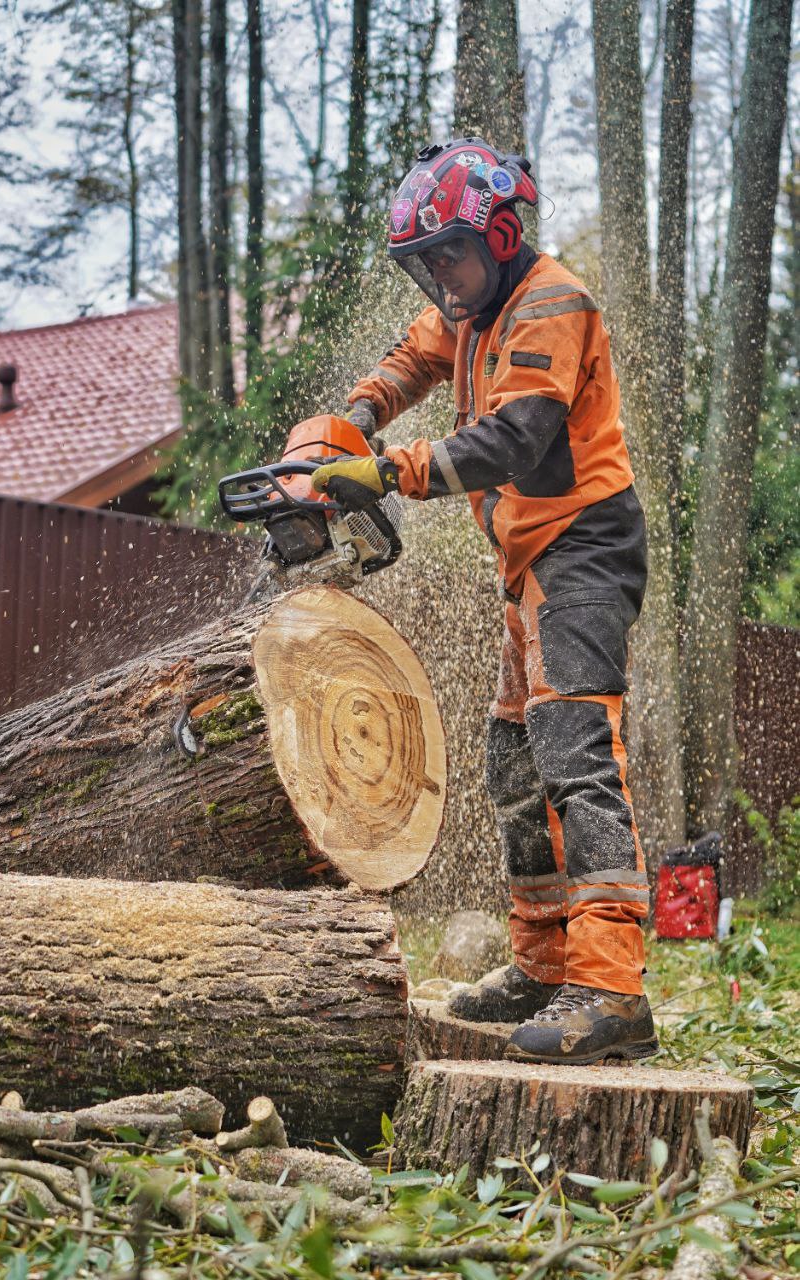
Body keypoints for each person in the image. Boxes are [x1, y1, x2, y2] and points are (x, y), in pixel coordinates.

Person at [311, 138, 658, 1065]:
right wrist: (337, 431)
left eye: (448, 256)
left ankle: (613, 985)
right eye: (421, 265)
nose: (436, 280)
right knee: (514, 758)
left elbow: (515, 438)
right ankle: (544, 963)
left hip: (584, 552)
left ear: (501, 234)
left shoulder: (551, 301)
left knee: (575, 753)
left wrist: (386, 470)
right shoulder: (461, 311)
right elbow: (402, 364)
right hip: (530, 563)